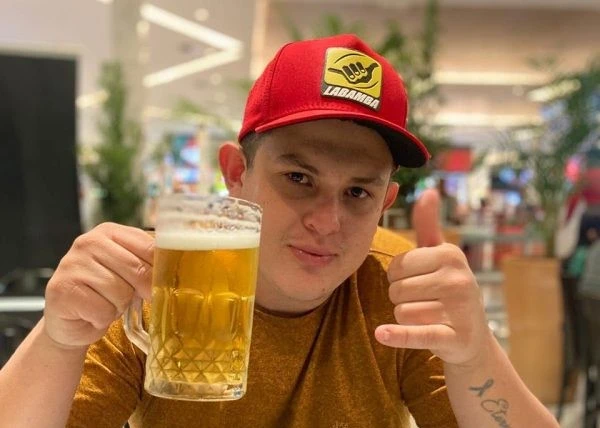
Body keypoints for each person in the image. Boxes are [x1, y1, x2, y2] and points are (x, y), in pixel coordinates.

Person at [0, 34, 558, 428]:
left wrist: (476, 355)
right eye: (298, 178)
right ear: (236, 174)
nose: (326, 221)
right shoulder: (160, 282)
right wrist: (57, 341)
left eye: (357, 193)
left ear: (385, 204)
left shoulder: (399, 291)